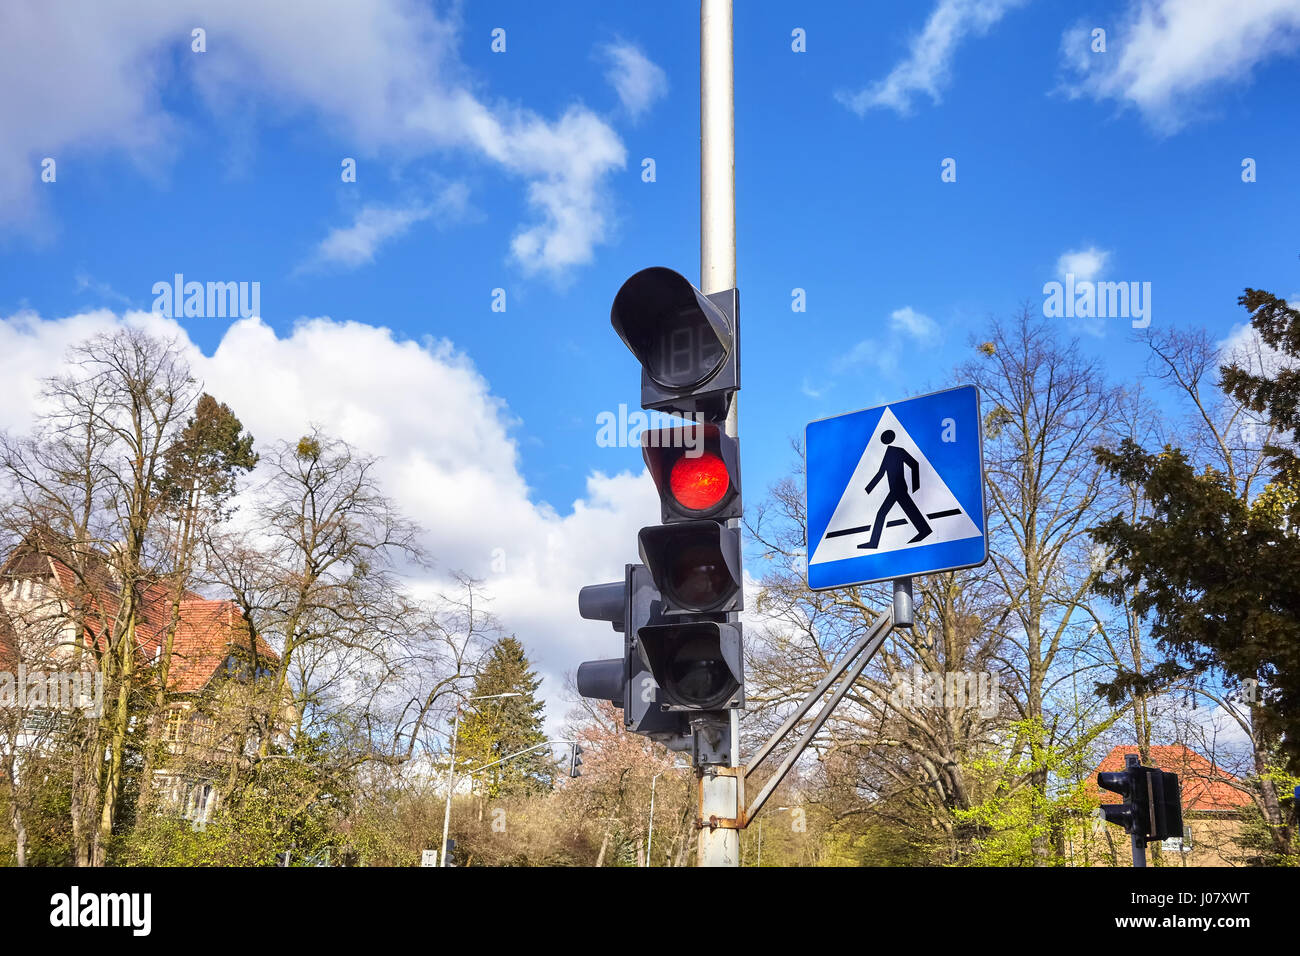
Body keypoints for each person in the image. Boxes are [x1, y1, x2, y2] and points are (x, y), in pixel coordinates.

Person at [859, 429, 931, 549]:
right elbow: (881, 473)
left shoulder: (897, 451)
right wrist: (867, 489)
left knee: (882, 513)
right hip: (895, 489)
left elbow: (914, 464)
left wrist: (915, 486)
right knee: (909, 511)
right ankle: (924, 530)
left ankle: (873, 542)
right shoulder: (888, 453)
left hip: (899, 488)